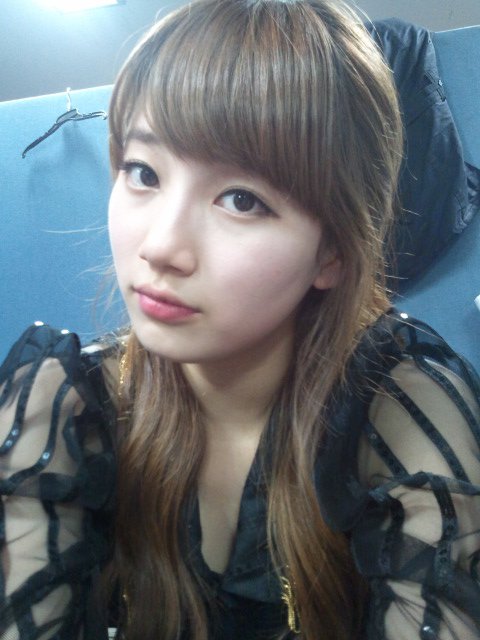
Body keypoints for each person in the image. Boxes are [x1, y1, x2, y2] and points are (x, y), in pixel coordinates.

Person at [1, 0, 480, 638]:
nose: (161, 247)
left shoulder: (398, 408)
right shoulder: (63, 407)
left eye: (242, 200)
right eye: (143, 173)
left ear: (333, 252)